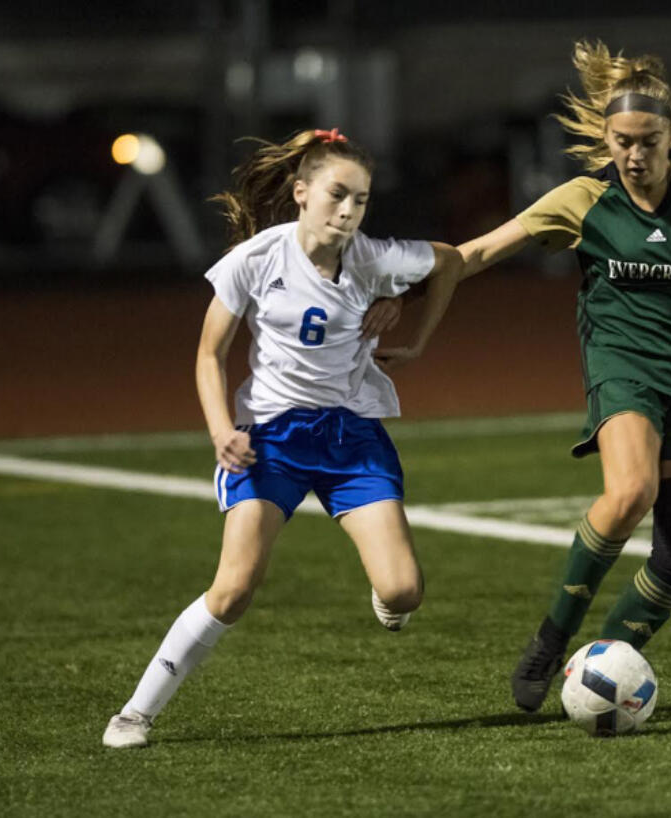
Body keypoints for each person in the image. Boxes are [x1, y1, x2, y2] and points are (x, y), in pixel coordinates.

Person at [102, 128, 462, 748]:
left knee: (403, 590)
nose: (348, 211)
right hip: (270, 438)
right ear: (301, 193)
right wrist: (221, 431)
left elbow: (452, 260)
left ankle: (388, 594)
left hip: (351, 439)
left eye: (361, 200)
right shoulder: (257, 259)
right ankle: (134, 712)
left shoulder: (373, 257)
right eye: (337, 195)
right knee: (235, 589)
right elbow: (209, 355)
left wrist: (414, 323)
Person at [455, 40, 671, 712]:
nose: (634, 155)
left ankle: (599, 671)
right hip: (624, 369)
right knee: (631, 490)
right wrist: (412, 277)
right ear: (606, 138)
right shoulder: (585, 198)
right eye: (621, 141)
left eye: (648, 141)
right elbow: (485, 249)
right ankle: (551, 642)